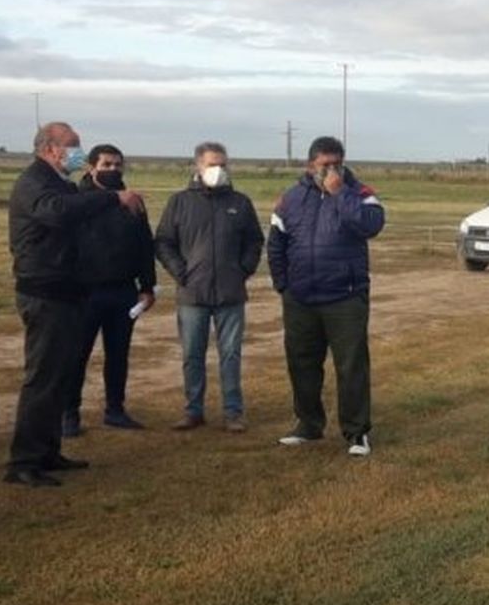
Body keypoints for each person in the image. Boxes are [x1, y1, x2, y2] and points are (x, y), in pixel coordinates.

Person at [7, 122, 144, 487]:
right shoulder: (35, 182)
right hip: (44, 292)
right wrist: (113, 198)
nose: (78, 152)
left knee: (59, 377)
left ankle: (47, 451)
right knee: (42, 378)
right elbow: (57, 212)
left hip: (67, 292)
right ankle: (24, 461)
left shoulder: (58, 183)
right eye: (73, 145)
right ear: (51, 148)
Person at [267, 136, 384, 456]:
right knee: (302, 363)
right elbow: (276, 243)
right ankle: (308, 424)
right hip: (301, 298)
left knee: (351, 366)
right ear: (310, 166)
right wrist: (283, 285)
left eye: (337, 164)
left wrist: (339, 193)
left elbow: (370, 225)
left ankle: (356, 432)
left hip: (345, 296)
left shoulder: (359, 193)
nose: (331, 170)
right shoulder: (291, 198)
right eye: (325, 165)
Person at [154, 141, 265, 433]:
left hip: (230, 293)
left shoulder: (240, 203)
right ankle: (193, 410)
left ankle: (233, 413)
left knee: (230, 354)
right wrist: (181, 272)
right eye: (212, 164)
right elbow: (164, 241)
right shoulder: (179, 202)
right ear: (198, 166)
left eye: (223, 164)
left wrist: (243, 269)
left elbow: (255, 240)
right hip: (192, 293)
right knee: (192, 354)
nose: (218, 170)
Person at [63, 143, 156, 435]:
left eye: (118, 165)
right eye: (106, 165)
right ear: (92, 168)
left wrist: (147, 286)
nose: (113, 170)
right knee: (77, 355)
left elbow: (145, 246)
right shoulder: (76, 201)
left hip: (123, 292)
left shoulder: (132, 202)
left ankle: (115, 410)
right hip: (84, 293)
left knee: (118, 355)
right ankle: (69, 414)